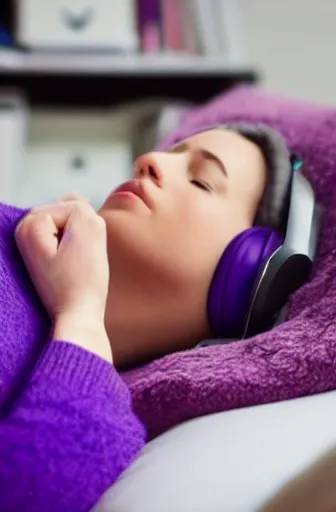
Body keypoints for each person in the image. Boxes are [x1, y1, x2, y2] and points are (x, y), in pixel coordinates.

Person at [0, 124, 292, 511]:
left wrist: (81, 316)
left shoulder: (101, 420)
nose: (149, 161)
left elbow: (23, 493)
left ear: (247, 271)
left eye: (201, 181)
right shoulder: (15, 230)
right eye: (168, 153)